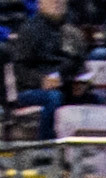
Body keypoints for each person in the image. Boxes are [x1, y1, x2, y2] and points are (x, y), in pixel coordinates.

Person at [11, 0, 87, 141]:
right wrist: (41, 81)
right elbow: (20, 69)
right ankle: (46, 145)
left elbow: (80, 64)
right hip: (32, 90)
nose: (57, 2)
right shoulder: (29, 30)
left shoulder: (72, 32)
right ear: (40, 3)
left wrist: (83, 83)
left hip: (66, 85)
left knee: (96, 99)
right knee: (54, 97)